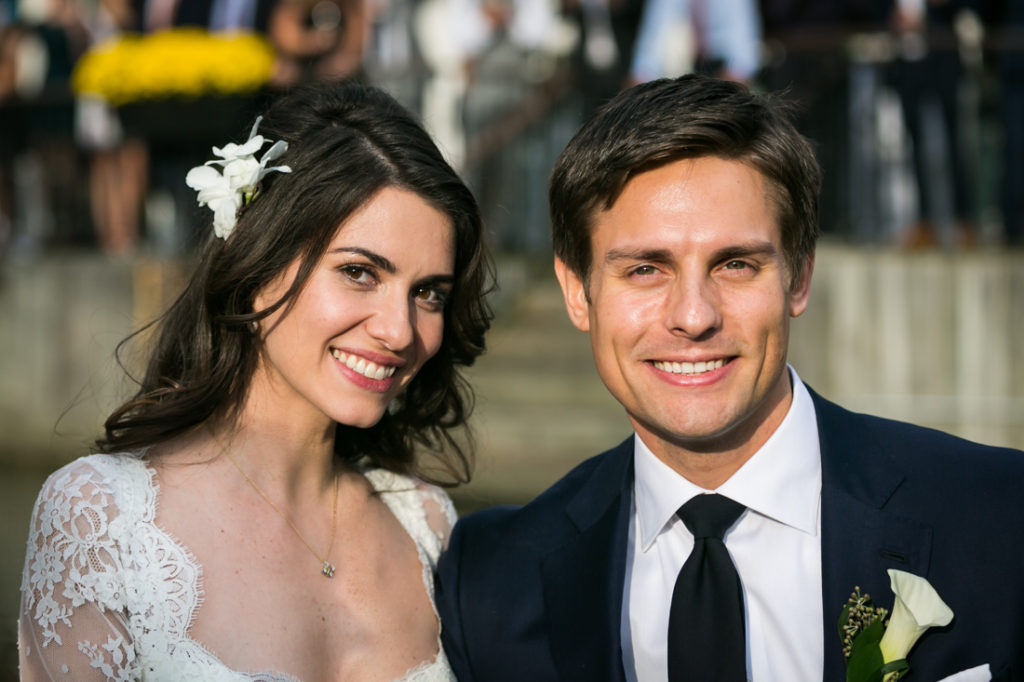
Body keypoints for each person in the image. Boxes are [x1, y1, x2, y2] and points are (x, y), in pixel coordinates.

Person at [435, 74, 1024, 682]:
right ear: (577, 292)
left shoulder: (1002, 519)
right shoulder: (492, 582)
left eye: (736, 264)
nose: (694, 316)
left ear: (798, 278)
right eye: (644, 270)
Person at [19, 80, 492, 681]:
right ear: (258, 259)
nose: (399, 331)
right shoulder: (101, 518)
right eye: (359, 272)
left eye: (427, 293)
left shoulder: (427, 524)